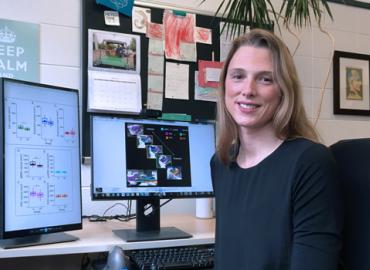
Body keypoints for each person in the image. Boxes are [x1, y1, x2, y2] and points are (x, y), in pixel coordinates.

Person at [210, 28, 343, 269]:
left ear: (284, 90)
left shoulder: (309, 162)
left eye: (265, 79)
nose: (248, 90)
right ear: (224, 85)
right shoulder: (220, 162)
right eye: (238, 76)